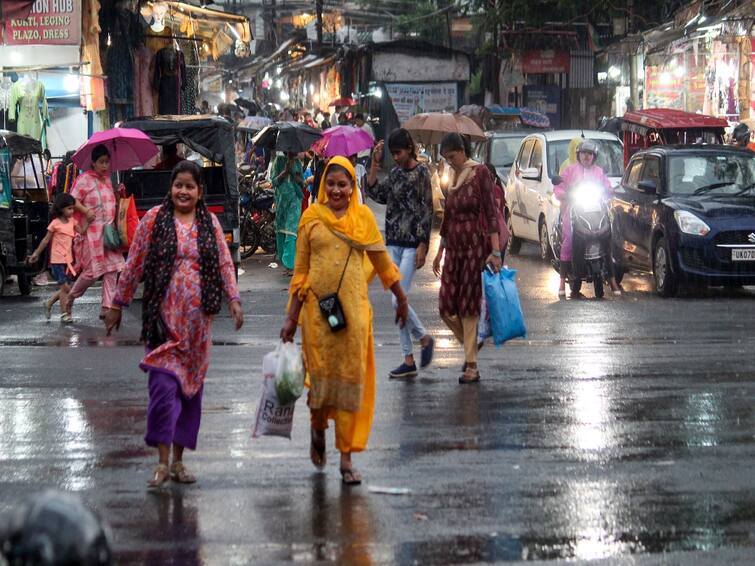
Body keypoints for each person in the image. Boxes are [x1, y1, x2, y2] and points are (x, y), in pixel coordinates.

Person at [104, 160, 244, 488]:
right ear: (171, 188)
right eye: (178, 185)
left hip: (197, 330)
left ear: (199, 192)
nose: (183, 191)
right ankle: (162, 463)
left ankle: (179, 463)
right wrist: (117, 304)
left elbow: (225, 263)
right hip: (162, 324)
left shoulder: (209, 223)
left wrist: (234, 300)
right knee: (163, 392)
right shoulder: (154, 220)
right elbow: (135, 262)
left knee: (189, 394)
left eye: (190, 186)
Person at [280, 156, 409, 485]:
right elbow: (300, 271)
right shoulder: (311, 218)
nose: (337, 190)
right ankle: (318, 429)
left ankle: (347, 458)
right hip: (316, 318)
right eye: (332, 183)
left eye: (344, 184)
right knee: (322, 382)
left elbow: (380, 259)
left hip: (352, 317)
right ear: (324, 186)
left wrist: (401, 296)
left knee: (351, 384)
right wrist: (291, 318)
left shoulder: (363, 218)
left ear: (353, 187)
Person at [432, 133, 502, 384]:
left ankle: (471, 365)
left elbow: (492, 213)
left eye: (452, 157)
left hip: (474, 248)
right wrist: (440, 251)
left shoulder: (480, 172)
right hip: (453, 250)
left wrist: (495, 252)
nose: (450, 162)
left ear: (462, 151)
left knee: (468, 307)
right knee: (446, 306)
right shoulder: (453, 178)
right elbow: (447, 218)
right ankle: (473, 343)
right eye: (446, 159)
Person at [366, 128, 435, 378]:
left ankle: (424, 338)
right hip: (392, 243)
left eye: (399, 152)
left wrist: (423, 245)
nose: (396, 158)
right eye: (392, 154)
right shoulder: (394, 173)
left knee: (398, 299)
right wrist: (374, 163)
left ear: (409, 148)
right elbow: (376, 192)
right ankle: (408, 358)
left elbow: (427, 210)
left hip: (411, 244)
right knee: (397, 301)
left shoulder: (422, 174)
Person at [555, 139, 621, 298]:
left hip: (596, 212)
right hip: (574, 212)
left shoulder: (599, 172)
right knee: (569, 239)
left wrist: (610, 191)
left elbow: (607, 187)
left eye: (590, 154)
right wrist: (565, 194)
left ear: (594, 156)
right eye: (584, 153)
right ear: (578, 154)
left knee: (607, 238)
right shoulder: (570, 171)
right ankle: (562, 281)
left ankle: (612, 280)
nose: (587, 156)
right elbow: (558, 188)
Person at [68, 145, 125, 320]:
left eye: (107, 162)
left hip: (108, 232)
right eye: (101, 162)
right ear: (93, 163)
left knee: (112, 269)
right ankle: (71, 296)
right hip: (91, 234)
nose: (105, 166)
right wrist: (85, 211)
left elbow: (111, 204)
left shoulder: (108, 180)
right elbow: (72, 200)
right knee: (92, 272)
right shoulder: (84, 179)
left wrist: (118, 194)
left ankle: (106, 307)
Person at [27, 193, 90, 323]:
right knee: (66, 288)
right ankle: (64, 314)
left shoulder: (73, 222)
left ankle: (49, 303)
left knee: (66, 288)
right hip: (56, 261)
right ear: (61, 209)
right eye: (69, 208)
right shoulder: (55, 223)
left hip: (68, 261)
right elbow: (45, 240)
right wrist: (36, 253)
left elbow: (82, 231)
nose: (72, 211)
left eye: (73, 208)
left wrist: (88, 221)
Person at [270, 152, 304, 273]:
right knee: (281, 229)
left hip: (295, 199)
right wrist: (284, 172)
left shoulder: (298, 162)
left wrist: (295, 175)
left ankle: (290, 263)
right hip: (281, 200)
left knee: (291, 229)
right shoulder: (278, 161)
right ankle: (284, 260)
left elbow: (302, 182)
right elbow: (273, 182)